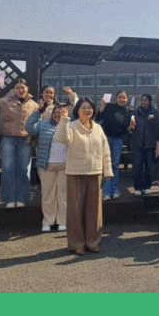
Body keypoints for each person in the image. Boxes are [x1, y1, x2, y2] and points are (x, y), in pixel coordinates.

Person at [53, 98, 113, 255]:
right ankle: (76, 244)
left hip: (95, 172)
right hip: (75, 173)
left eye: (90, 108)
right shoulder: (71, 125)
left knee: (94, 211)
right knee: (75, 210)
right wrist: (64, 120)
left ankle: (93, 242)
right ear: (77, 110)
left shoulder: (98, 128)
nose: (87, 110)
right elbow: (61, 139)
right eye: (83, 108)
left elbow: (105, 150)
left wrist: (108, 170)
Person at [0, 77, 39, 208]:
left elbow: (36, 123)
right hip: (8, 139)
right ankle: (9, 199)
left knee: (24, 169)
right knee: (8, 169)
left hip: (25, 140)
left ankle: (21, 198)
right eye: (17, 88)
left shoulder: (34, 105)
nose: (20, 90)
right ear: (13, 90)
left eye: (23, 88)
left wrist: (32, 136)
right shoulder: (5, 101)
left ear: (27, 89)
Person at [25, 103, 68, 232]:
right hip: (46, 165)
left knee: (63, 195)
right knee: (48, 194)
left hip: (65, 166)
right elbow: (29, 127)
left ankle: (62, 221)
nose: (58, 115)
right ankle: (48, 221)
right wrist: (37, 112)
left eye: (62, 112)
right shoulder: (43, 124)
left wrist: (65, 122)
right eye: (56, 112)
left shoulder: (70, 125)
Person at [96, 90, 135, 200]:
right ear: (116, 98)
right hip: (106, 138)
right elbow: (98, 118)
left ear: (127, 99)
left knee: (115, 165)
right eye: (120, 97)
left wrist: (130, 127)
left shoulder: (127, 112)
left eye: (124, 98)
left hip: (118, 140)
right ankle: (106, 192)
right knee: (106, 164)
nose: (122, 99)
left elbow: (125, 130)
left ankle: (115, 190)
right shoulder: (109, 107)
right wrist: (102, 107)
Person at [130, 94, 159, 195]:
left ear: (150, 101)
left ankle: (147, 186)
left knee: (148, 166)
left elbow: (158, 128)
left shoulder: (154, 112)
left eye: (146, 100)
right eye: (142, 100)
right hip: (137, 143)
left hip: (150, 144)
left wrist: (153, 120)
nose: (143, 102)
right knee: (138, 165)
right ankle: (138, 187)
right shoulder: (136, 112)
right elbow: (131, 126)